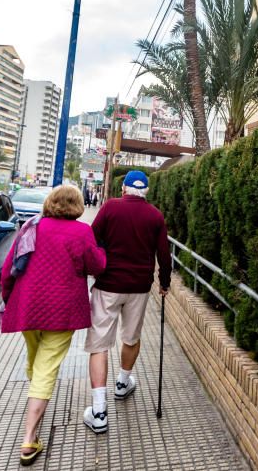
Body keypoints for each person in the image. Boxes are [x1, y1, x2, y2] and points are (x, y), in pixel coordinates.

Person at [0, 185, 106, 465]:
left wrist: (8, 299)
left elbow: (9, 267)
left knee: (35, 360)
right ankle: (29, 438)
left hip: (28, 305)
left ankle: (37, 395)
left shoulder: (32, 227)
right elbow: (96, 266)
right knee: (45, 369)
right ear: (77, 206)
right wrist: (102, 252)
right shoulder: (82, 232)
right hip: (62, 312)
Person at [83, 170, 171, 433]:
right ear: (146, 191)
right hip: (139, 288)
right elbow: (164, 256)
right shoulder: (155, 215)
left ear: (124, 189)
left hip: (108, 285)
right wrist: (164, 283)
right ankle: (123, 384)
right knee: (131, 337)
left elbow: (91, 240)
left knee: (99, 343)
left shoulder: (110, 207)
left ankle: (99, 411)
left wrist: (93, 267)